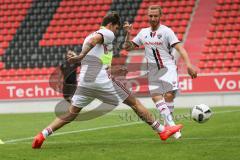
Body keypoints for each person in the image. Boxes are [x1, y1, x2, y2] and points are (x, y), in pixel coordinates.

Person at [32, 12, 182, 149]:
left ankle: (42, 135)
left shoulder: (89, 36)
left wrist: (82, 55)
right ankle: (162, 131)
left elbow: (96, 55)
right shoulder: (107, 33)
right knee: (134, 103)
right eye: (117, 28)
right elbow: (96, 40)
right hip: (102, 80)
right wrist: (80, 56)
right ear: (111, 25)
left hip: (85, 82)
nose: (116, 31)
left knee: (72, 113)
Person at [123, 5, 197, 139]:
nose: (153, 18)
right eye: (150, 16)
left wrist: (189, 65)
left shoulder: (167, 31)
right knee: (156, 96)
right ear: (147, 16)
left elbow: (180, 49)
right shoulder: (143, 32)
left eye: (155, 16)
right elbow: (127, 47)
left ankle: (169, 125)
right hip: (153, 70)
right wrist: (128, 33)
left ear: (160, 16)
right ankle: (172, 126)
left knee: (168, 96)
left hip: (168, 68)